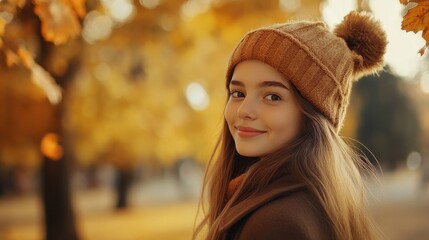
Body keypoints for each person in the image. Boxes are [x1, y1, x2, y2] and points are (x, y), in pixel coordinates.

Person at [193, 11, 387, 240]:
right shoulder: (313, 201)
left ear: (312, 115)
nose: (244, 110)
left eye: (273, 97)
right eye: (238, 93)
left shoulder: (276, 223)